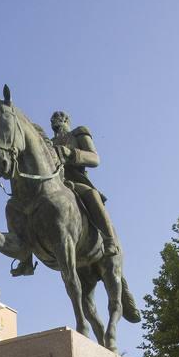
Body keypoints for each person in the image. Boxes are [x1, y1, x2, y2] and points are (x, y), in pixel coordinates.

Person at [50, 110, 120, 257]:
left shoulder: (78, 132)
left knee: (91, 195)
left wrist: (72, 154)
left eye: (59, 117)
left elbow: (95, 158)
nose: (54, 120)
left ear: (66, 120)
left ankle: (109, 240)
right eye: (52, 119)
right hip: (54, 184)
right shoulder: (49, 143)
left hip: (75, 181)